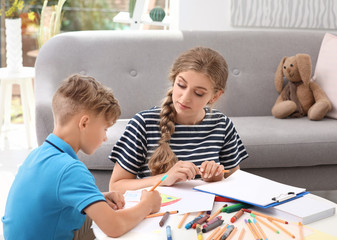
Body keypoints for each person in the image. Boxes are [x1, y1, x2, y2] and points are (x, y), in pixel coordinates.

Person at [2, 74, 161, 240]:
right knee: (124, 227)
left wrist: (99, 196)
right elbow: (114, 227)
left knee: (108, 216)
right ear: (84, 123)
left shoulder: (38, 154)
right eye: (105, 129)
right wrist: (147, 205)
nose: (105, 137)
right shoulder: (70, 170)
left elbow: (54, 196)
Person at [109, 47, 249, 193]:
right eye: (181, 85)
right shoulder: (143, 124)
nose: (185, 98)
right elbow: (115, 187)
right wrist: (164, 178)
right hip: (157, 212)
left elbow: (235, 184)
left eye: (198, 93)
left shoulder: (222, 126)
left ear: (215, 96)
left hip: (204, 213)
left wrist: (216, 180)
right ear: (173, 80)